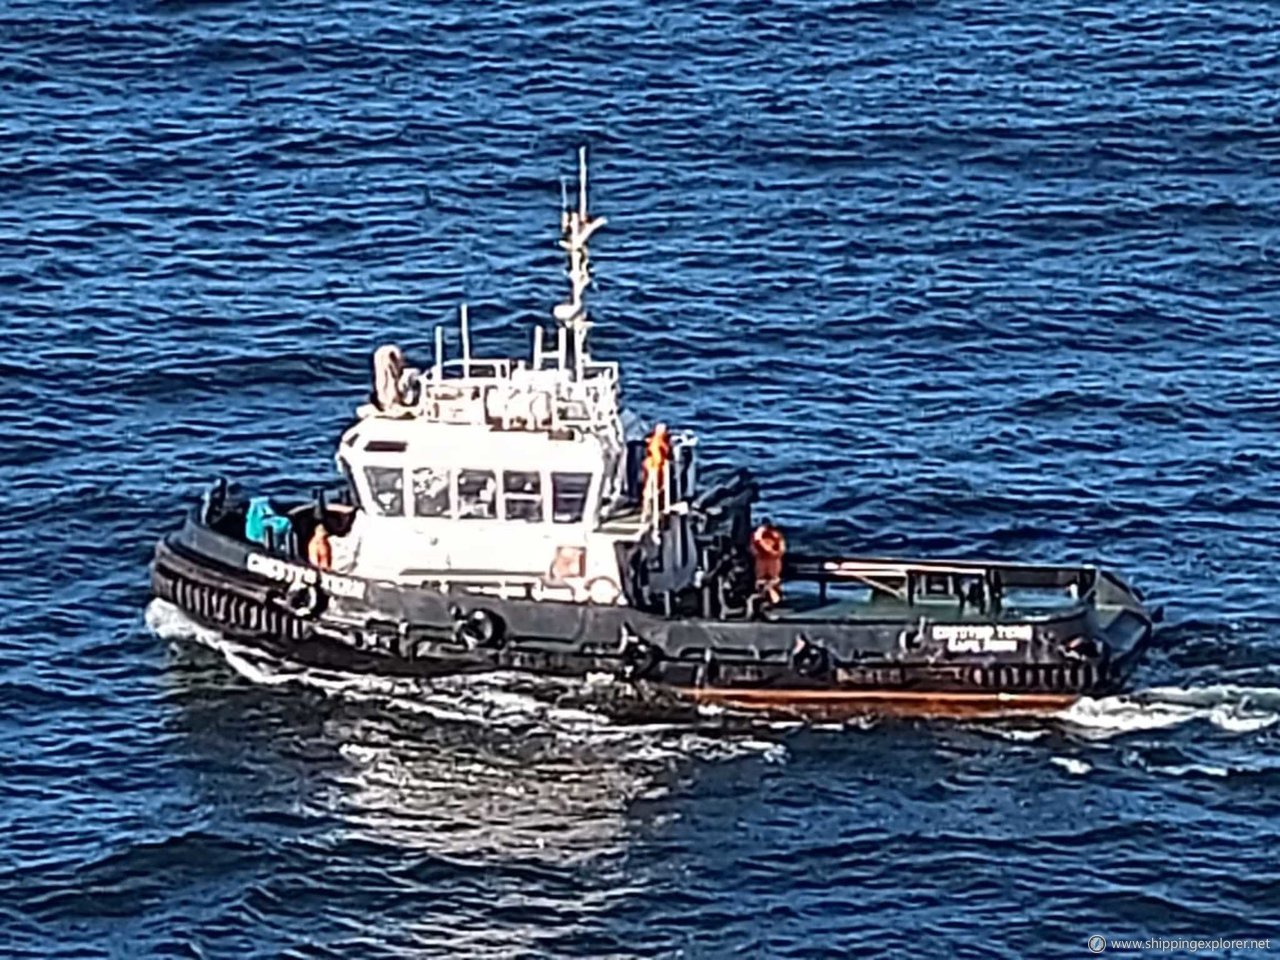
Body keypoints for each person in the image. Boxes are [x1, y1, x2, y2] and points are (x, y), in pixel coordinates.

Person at [750, 519, 786, 605]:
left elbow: (781, 548)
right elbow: (753, 548)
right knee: (761, 578)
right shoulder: (756, 536)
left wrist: (774, 553)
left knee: (773, 578)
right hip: (761, 560)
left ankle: (775, 595)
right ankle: (762, 596)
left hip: (773, 560)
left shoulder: (776, 535)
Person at [641, 422, 671, 521]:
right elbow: (657, 456)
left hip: (654, 466)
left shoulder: (656, 441)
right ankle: (647, 512)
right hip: (654, 467)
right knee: (650, 491)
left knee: (651, 490)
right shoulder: (657, 442)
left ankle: (647, 511)